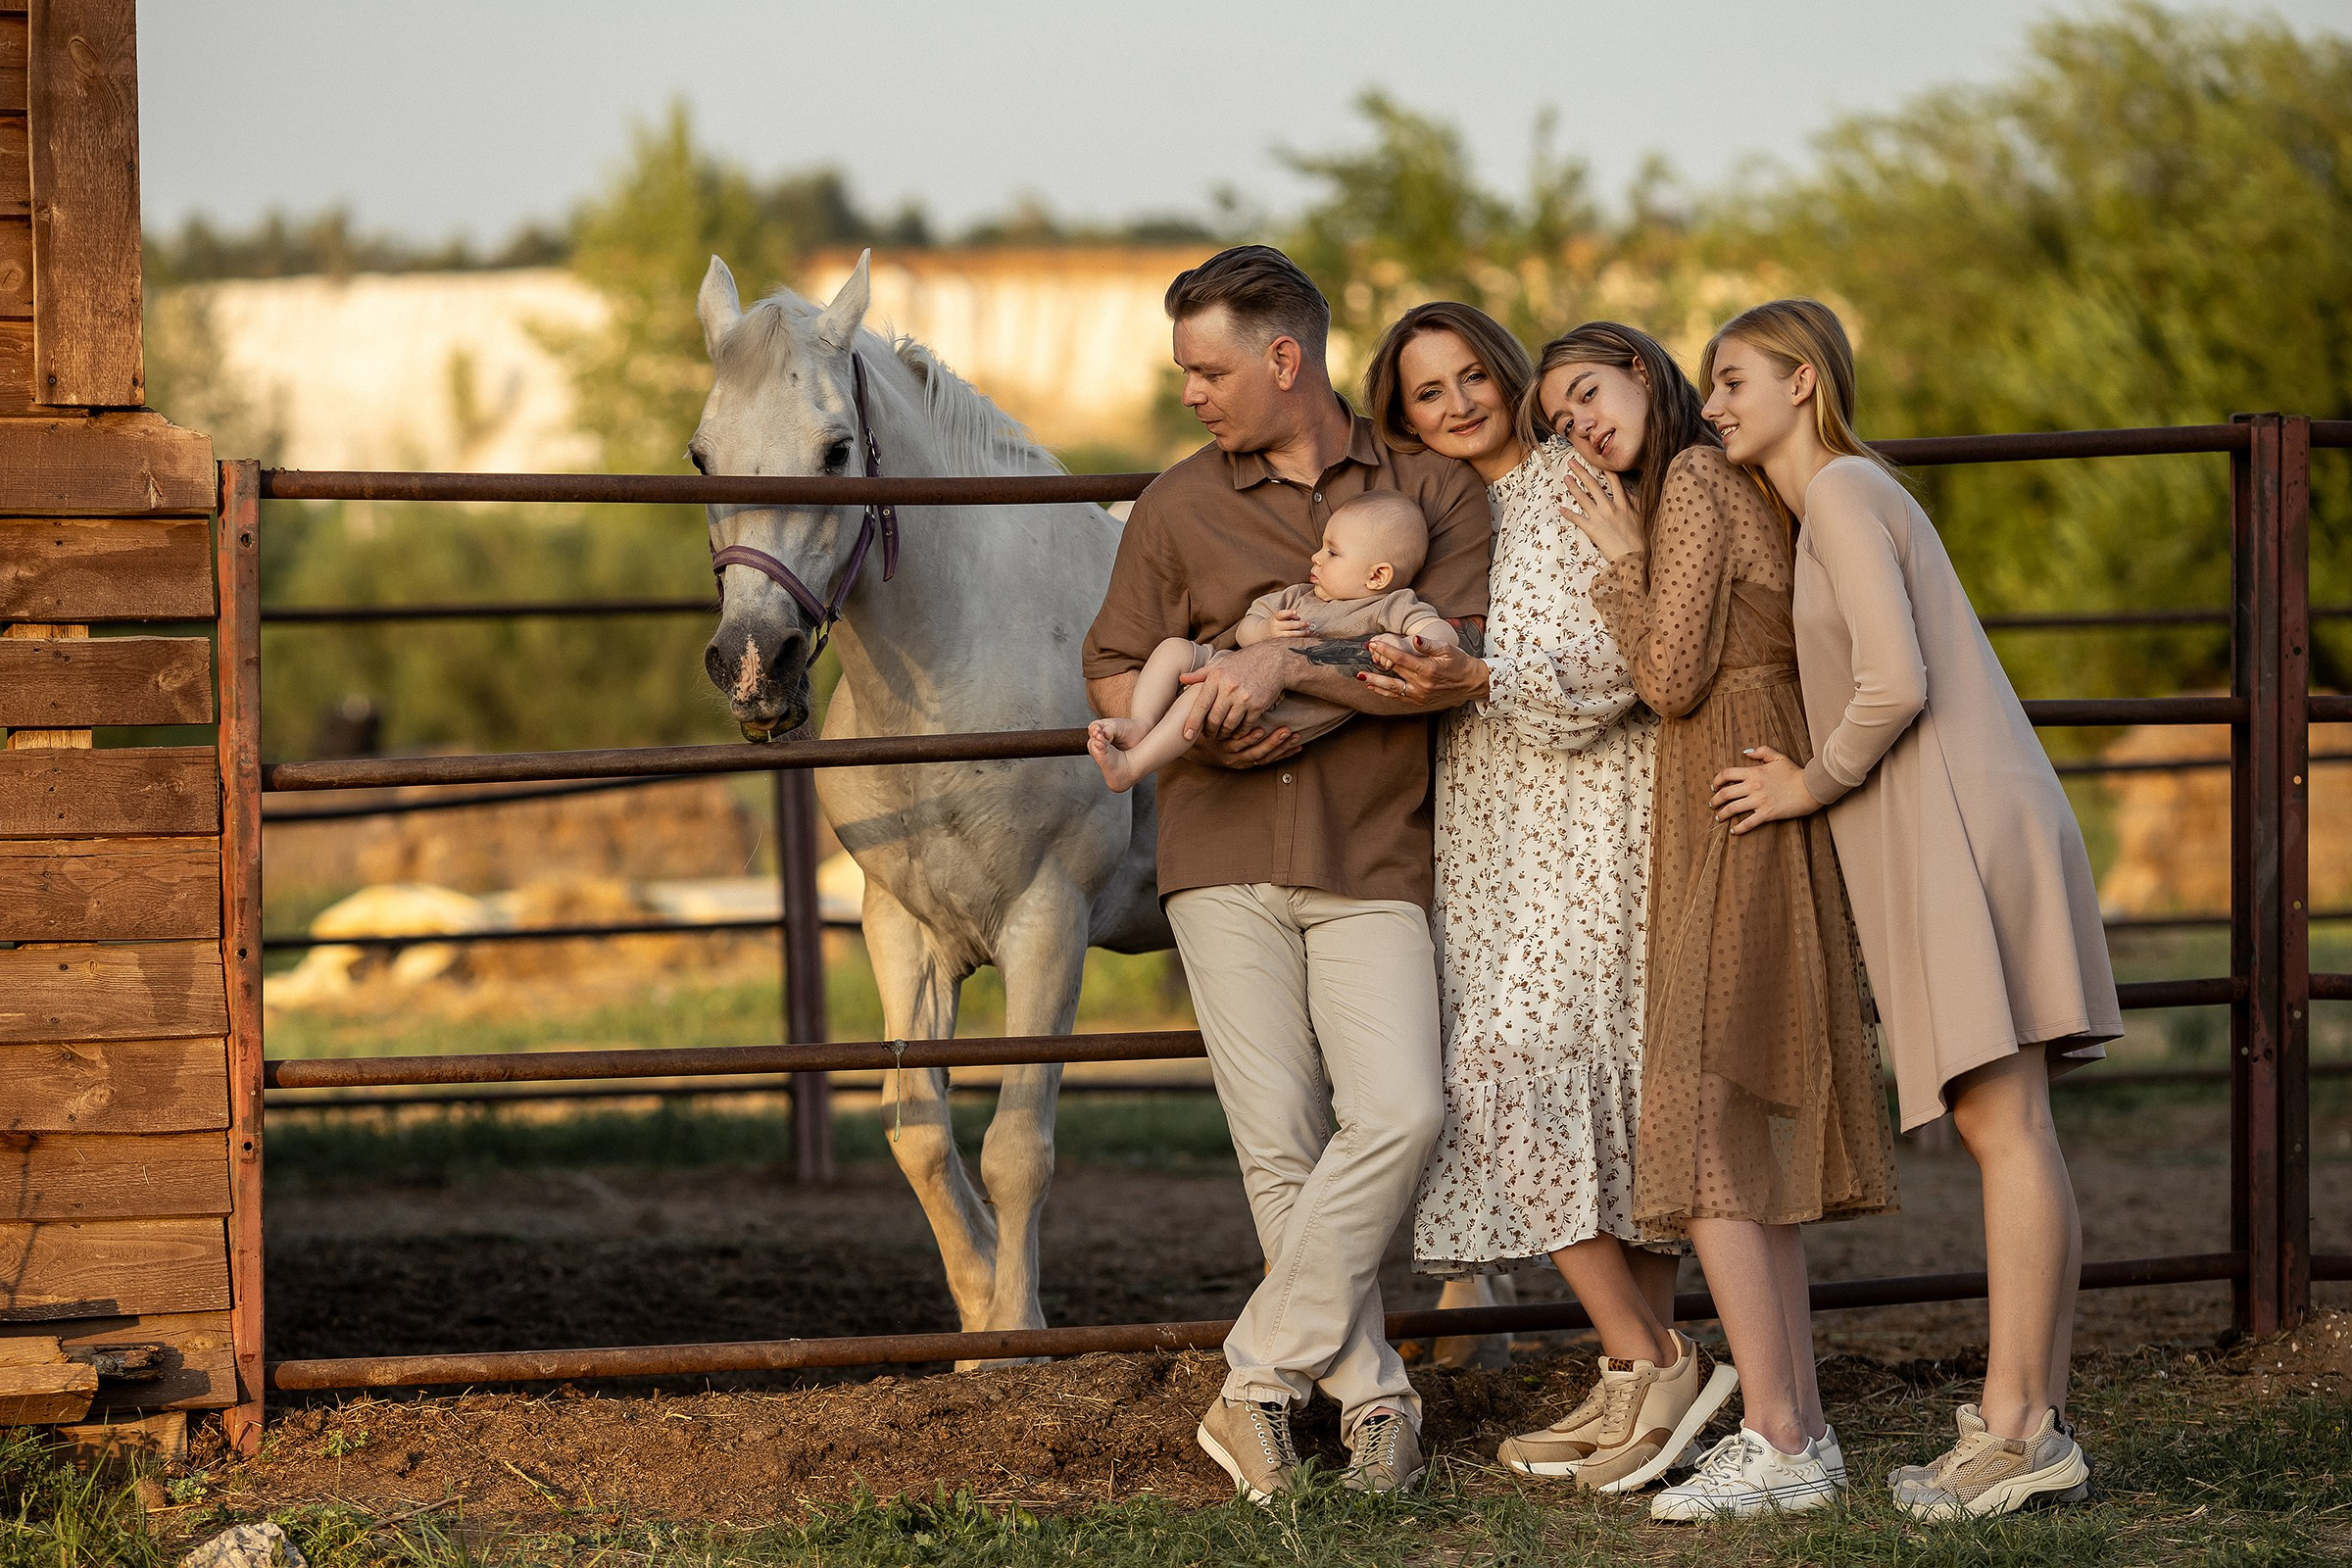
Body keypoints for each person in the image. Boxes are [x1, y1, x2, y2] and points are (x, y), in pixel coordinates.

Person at [1080, 246, 1493, 1500]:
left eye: (1206, 369)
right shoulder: (1173, 505)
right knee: (1279, 1143)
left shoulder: (1434, 492)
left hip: (1375, 850)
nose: (1190, 392)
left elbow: (1446, 669)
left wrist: (1279, 671)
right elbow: (1112, 674)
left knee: (1404, 1112)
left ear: (1283, 357)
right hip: (1217, 854)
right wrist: (1232, 678)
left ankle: (1254, 1374)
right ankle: (1373, 1399)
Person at [1700, 298, 2118, 1519]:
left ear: (1800, 379)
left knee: (2004, 1130)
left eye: (1732, 379)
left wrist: (1804, 782)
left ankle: (2020, 1428)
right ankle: (2022, 1420)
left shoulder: (1836, 493)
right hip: (1963, 816)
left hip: (1954, 824)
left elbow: (1893, 681)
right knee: (2017, 1129)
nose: (1714, 403)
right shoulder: (1846, 497)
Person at [1360, 303, 1734, 1494]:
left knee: (1510, 1070)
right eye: (1429, 390)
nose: (1460, 400)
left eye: (1475, 374)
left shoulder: (1573, 481)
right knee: (1583, 1086)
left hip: (1594, 819)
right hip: (1489, 837)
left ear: (1510, 376)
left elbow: (1610, 673)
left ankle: (1651, 1356)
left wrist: (1476, 674)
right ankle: (1643, 1381)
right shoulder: (1431, 519)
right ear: (1402, 414)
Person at [1546, 320, 1898, 1521]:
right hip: (1739, 785)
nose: (1578, 425)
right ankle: (1797, 1432)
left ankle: (1782, 1433)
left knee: (1703, 1121)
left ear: (1646, 375)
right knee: (1731, 1120)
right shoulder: (1729, 478)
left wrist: (1619, 554)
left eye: (1587, 393)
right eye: (1559, 418)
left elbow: (1666, 677)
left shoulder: (1695, 476)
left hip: (1737, 781)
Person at [1086, 490, 1456, 793]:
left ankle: (1133, 767)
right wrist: (1265, 633)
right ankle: (1140, 722)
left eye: (1332, 552)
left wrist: (1410, 646)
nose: (1316, 556)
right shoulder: (1299, 595)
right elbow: (1249, 627)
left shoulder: (1389, 606)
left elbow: (1444, 636)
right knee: (1174, 649)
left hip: (1275, 707)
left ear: (1377, 576)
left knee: (1201, 695)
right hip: (1237, 671)